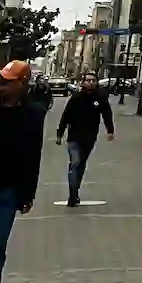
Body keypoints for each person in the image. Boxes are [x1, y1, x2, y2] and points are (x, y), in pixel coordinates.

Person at [0, 60, 46, 283]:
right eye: (0, 79)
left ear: (21, 85)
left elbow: (34, 155)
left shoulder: (33, 114)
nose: (0, 84)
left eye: (6, 81)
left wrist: (28, 193)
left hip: (8, 192)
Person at [56, 71, 115, 207]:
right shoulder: (76, 97)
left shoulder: (100, 98)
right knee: (75, 162)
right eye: (88, 80)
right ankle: (72, 194)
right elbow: (66, 115)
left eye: (93, 80)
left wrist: (110, 130)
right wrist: (60, 133)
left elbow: (107, 113)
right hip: (74, 136)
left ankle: (75, 191)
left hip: (89, 137)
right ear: (82, 82)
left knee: (81, 165)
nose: (90, 82)